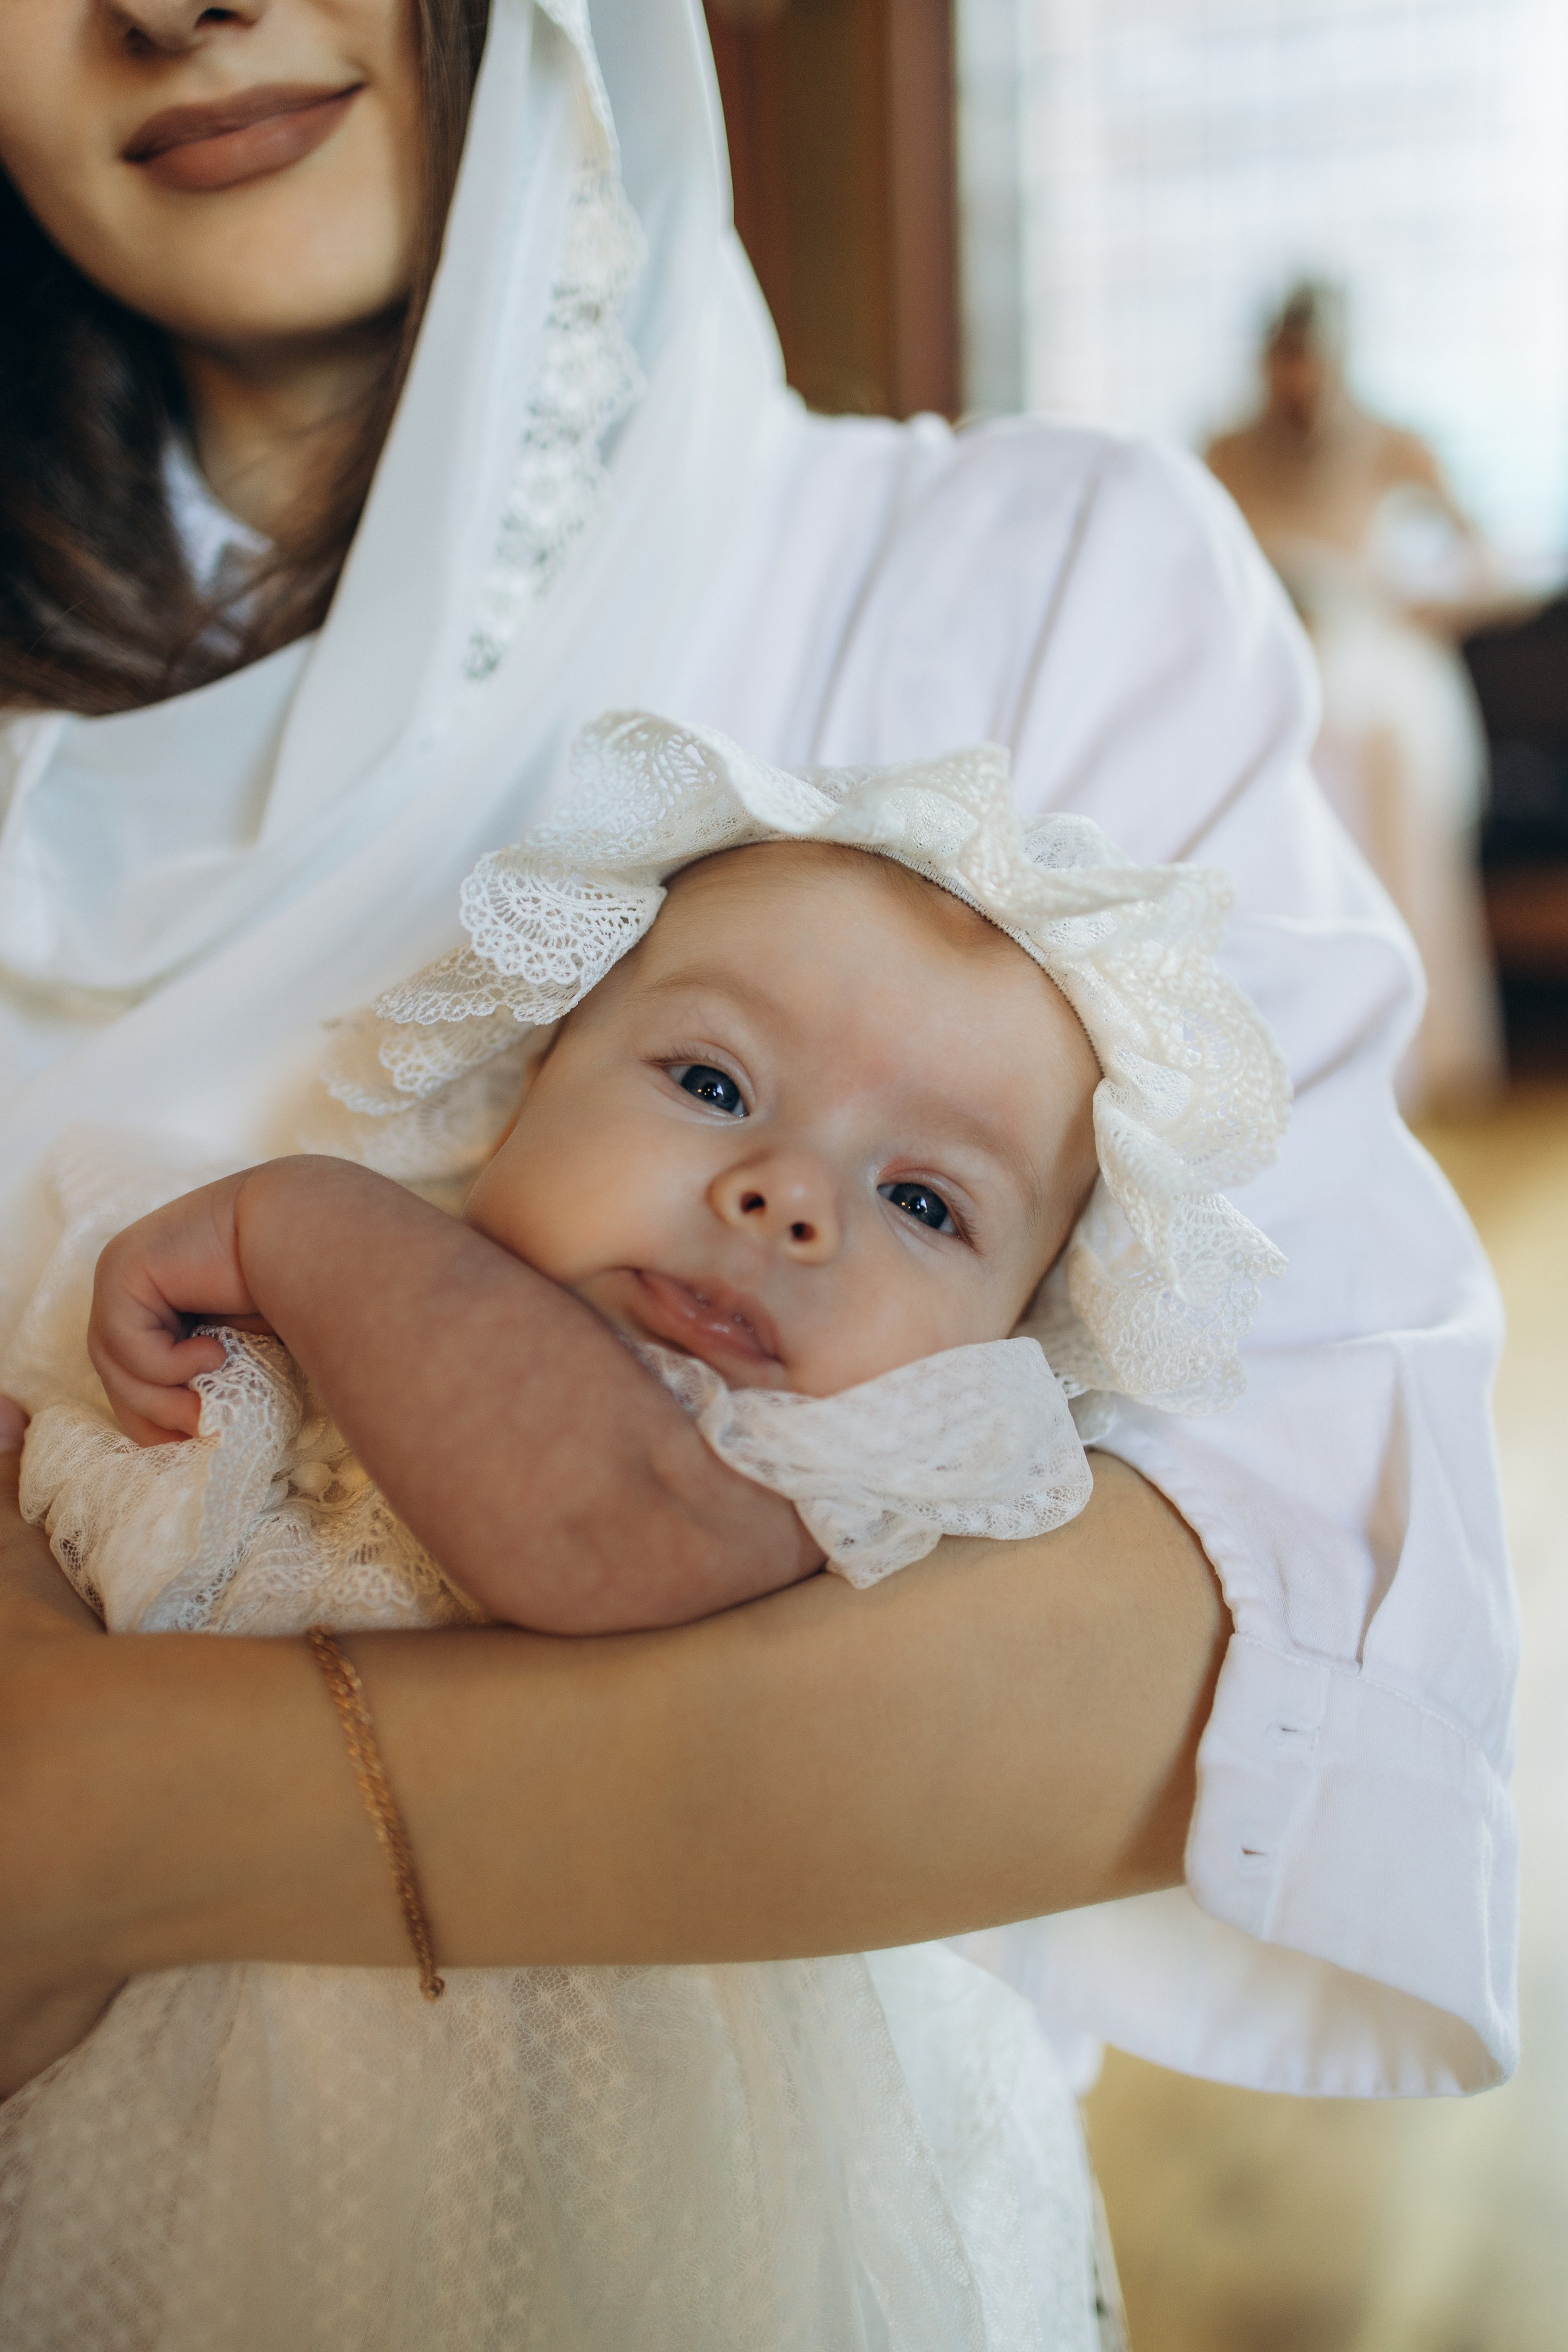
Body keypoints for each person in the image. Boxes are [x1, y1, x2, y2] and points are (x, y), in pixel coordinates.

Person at [0, 0, 1516, 2325]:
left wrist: (93, 1809)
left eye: (920, 1202)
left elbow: (1206, 1638)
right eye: (701, 1086)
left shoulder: (1019, 582)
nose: (178, 4)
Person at [2, 720, 1289, 2341]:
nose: (788, 1194)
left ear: (1012, 1339)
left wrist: (305, 1223)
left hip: (563, 2196)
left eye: (923, 1202)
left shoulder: (798, 1465)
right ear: (522, 1086)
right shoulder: (337, 1347)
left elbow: (600, 1530)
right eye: (708, 1083)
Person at [1207, 279, 1518, 1113]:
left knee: (1376, 735)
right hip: (1276, 659)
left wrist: (1411, 599)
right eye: (1287, 365)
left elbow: (1490, 565)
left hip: (1375, 658)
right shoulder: (1225, 453)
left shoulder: (1393, 448)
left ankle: (1411, 1041)